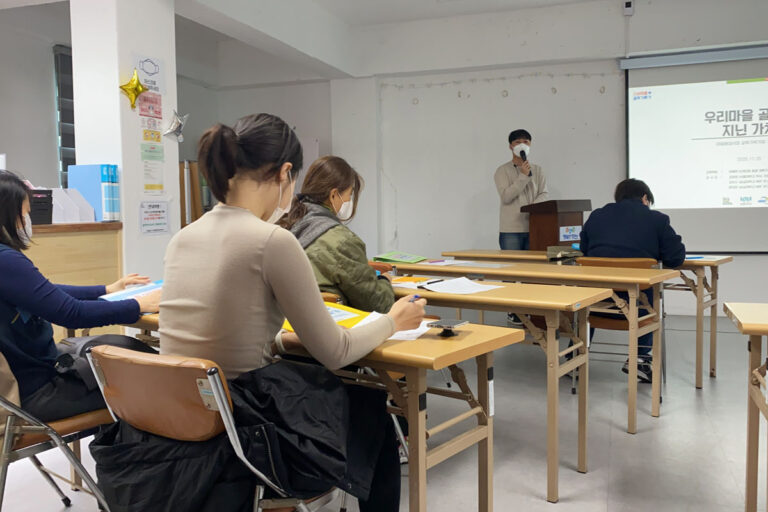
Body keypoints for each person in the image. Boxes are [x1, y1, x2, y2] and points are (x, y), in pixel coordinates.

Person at [159, 113, 426, 512]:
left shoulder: (182, 237)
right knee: (373, 413)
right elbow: (334, 352)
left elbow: (221, 330)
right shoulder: (271, 241)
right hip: (246, 426)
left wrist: (279, 340)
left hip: (181, 418)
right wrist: (393, 321)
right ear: (286, 173)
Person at [0, 170, 161, 422]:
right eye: (24, 214)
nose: (27, 221)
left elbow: (45, 293)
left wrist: (106, 290)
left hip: (26, 385)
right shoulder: (5, 261)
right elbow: (71, 314)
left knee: (126, 352)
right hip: (35, 394)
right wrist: (138, 303)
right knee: (153, 378)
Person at [580, 178, 686, 382]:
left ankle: (575, 357)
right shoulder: (657, 220)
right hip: (638, 308)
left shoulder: (597, 216)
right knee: (651, 292)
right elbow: (675, 258)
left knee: (594, 289)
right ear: (645, 198)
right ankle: (639, 360)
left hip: (594, 306)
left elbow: (584, 251)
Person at [279, 155, 394, 313]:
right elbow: (378, 304)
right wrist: (384, 281)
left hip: (285, 326)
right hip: (330, 326)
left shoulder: (285, 222)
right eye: (349, 194)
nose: (350, 200)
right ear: (334, 195)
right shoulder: (341, 240)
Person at [494, 128, 548, 251]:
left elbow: (544, 193)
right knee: (512, 266)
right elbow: (506, 197)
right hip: (511, 230)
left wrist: (532, 209)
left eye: (526, 142)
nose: (522, 145)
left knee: (533, 267)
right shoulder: (502, 170)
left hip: (534, 226)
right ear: (510, 146)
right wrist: (523, 176)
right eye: (518, 142)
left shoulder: (538, 169)